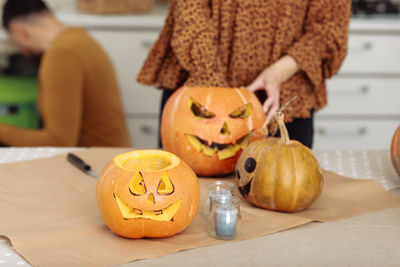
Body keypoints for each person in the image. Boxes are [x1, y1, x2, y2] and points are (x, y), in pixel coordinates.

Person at [137, 0, 351, 149]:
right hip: (199, 85)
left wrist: (277, 73)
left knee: (280, 196)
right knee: (183, 197)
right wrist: (217, 93)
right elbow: (191, 12)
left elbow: (330, 27)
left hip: (282, 99)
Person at [0, 0, 130, 147]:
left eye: (16, 41)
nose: (21, 49)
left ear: (20, 32)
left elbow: (58, 142)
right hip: (110, 154)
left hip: (95, 162)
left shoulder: (62, 54)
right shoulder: (80, 38)